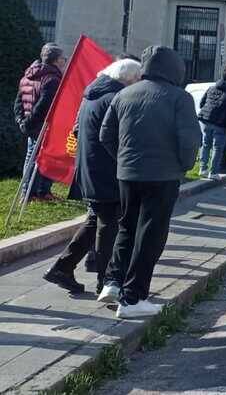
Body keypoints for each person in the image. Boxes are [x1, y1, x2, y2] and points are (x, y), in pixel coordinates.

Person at [98, 46, 200, 318]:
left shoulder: (124, 93)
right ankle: (133, 299)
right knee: (151, 234)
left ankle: (112, 281)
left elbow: (106, 135)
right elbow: (189, 140)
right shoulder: (180, 97)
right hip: (163, 175)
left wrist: (123, 159)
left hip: (128, 173)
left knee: (127, 227)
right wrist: (184, 166)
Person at [43, 58, 142, 296]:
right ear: (128, 79)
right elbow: (117, 138)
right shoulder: (114, 99)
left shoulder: (92, 94)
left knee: (95, 221)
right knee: (109, 226)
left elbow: (78, 130)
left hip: (90, 167)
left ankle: (62, 268)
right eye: (137, 79)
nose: (138, 84)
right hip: (107, 171)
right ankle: (106, 281)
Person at [15, 43, 67, 201]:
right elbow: (43, 107)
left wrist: (21, 121)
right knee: (38, 159)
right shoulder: (51, 79)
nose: (65, 61)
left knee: (32, 157)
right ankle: (31, 193)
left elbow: (18, 102)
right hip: (42, 126)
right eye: (63, 58)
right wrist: (28, 123)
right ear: (57, 60)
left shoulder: (27, 75)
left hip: (30, 125)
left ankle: (39, 191)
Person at [197, 68, 226, 179]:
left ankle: (202, 169)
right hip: (221, 123)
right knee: (218, 147)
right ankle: (213, 172)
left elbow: (202, 103)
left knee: (206, 144)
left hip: (206, 119)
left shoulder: (212, 87)